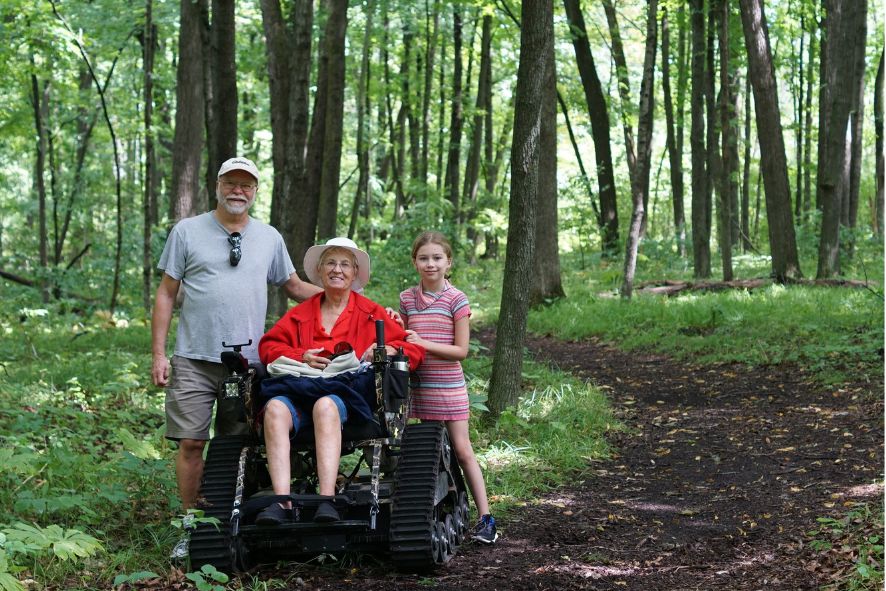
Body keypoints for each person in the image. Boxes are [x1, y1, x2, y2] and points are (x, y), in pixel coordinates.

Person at [151, 156, 321, 559]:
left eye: (247, 184)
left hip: (247, 364)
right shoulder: (187, 231)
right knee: (192, 443)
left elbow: (295, 286)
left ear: (256, 191)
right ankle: (191, 527)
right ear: (217, 185)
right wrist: (159, 354)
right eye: (231, 182)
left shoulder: (269, 237)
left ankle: (231, 522)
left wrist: (352, 300)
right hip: (193, 357)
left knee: (236, 445)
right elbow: (166, 293)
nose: (238, 190)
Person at [255, 237, 424, 525]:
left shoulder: (371, 312)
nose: (337, 270)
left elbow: (412, 349)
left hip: (343, 398)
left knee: (325, 405)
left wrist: (387, 348)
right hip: (298, 391)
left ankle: (327, 500)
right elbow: (268, 347)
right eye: (331, 263)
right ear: (319, 271)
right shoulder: (300, 314)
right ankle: (281, 502)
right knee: (273, 409)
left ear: (355, 273)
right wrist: (301, 355)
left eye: (345, 264)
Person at [398, 231, 498, 544]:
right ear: (415, 262)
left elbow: (461, 351)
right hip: (419, 387)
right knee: (428, 452)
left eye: (437, 258)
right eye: (424, 258)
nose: (431, 264)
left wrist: (423, 343)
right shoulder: (406, 299)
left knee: (462, 449)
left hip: (448, 386)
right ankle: (445, 507)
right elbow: (402, 340)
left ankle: (486, 518)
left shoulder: (457, 299)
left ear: (448, 262)